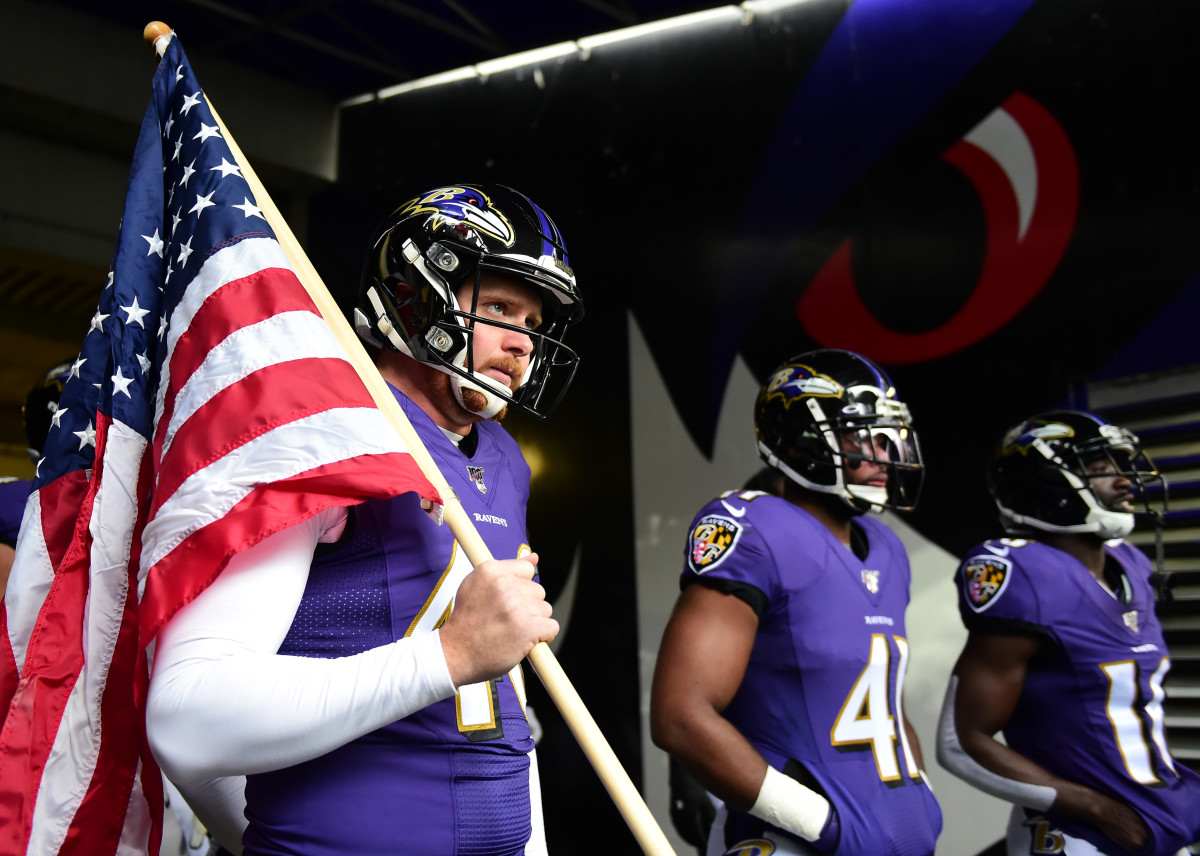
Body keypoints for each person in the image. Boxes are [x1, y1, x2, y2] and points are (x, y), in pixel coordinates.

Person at [146, 183, 584, 856]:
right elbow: (186, 717)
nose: (521, 343)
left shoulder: (500, 456)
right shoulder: (324, 430)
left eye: (531, 322)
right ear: (416, 292)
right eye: (499, 307)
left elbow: (502, 691)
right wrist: (449, 655)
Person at [650, 349, 942, 856]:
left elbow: (880, 702)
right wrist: (822, 823)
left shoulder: (886, 548)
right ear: (803, 441)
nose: (884, 452)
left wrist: (918, 799)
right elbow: (681, 715)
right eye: (859, 434)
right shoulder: (756, 530)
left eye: (887, 434)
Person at [937, 410, 1200, 856]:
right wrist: (1099, 810)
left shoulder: (1131, 565)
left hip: (1158, 822)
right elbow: (961, 741)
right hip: (1080, 838)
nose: (1124, 482)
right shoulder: (1025, 573)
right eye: (1100, 470)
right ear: (1047, 485)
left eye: (1119, 467)